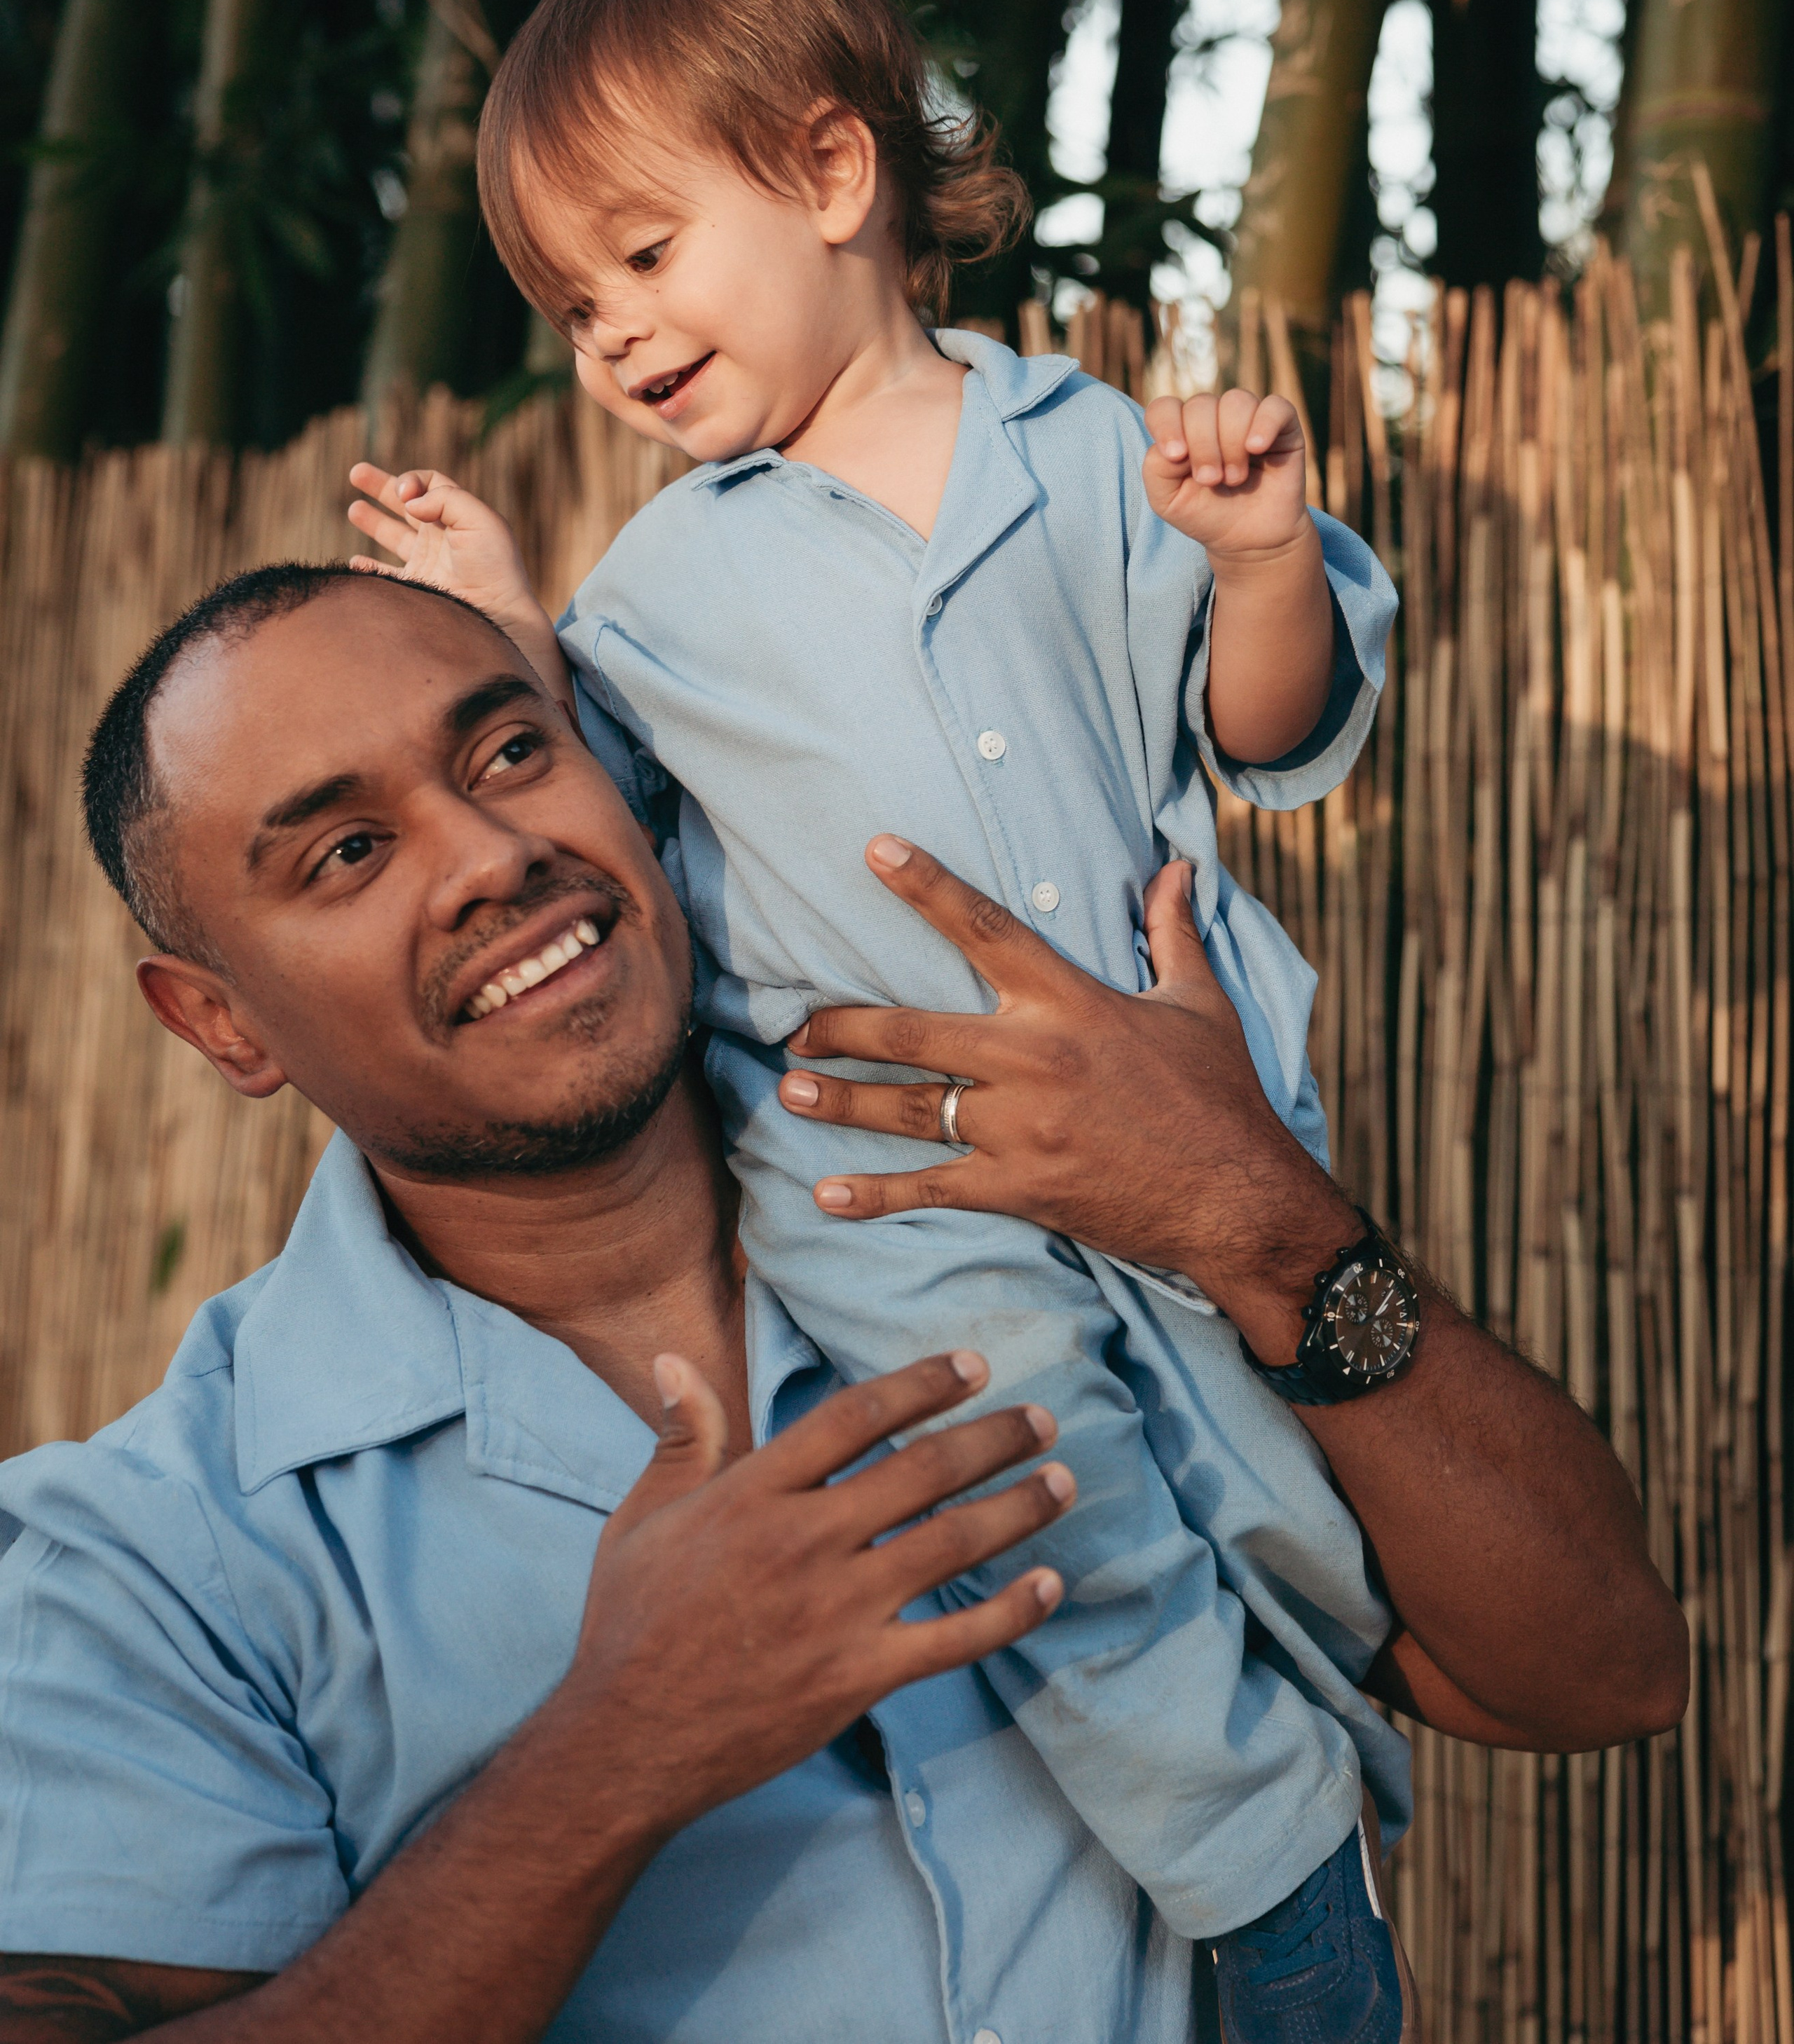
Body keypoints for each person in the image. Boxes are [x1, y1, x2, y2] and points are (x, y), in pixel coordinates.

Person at [0, 568, 1684, 2044]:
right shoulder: (146, 1566)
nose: (494, 856)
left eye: (511, 750)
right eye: (349, 850)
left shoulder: (1038, 1228)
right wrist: (617, 1754)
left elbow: (1594, 1677)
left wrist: (1256, 1222)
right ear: (220, 1021)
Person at [341, 0, 1409, 2022]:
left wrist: (1267, 559)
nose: (611, 331)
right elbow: (602, 825)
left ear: (835, 177)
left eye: (644, 256)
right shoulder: (655, 592)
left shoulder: (1087, 454)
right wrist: (507, 630)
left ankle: (1326, 1765)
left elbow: (1267, 732)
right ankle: (1276, 1893)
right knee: (1032, 1494)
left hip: (1182, 1105)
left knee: (1284, 1483)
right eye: (568, 302)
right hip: (890, 1170)